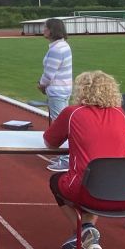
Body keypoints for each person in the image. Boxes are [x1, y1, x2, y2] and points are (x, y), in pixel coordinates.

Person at [44, 70, 125, 249]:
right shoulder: (120, 114)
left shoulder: (72, 113)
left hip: (87, 188)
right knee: (95, 181)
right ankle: (87, 233)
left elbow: (50, 143)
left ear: (82, 90)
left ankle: (84, 231)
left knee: (56, 181)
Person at [38, 18, 73, 172]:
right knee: (62, 123)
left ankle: (66, 159)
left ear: (52, 30)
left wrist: (41, 85)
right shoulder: (63, 45)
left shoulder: (56, 49)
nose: (43, 30)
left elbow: (49, 74)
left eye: (45, 27)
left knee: (61, 126)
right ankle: (63, 156)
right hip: (63, 89)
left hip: (57, 91)